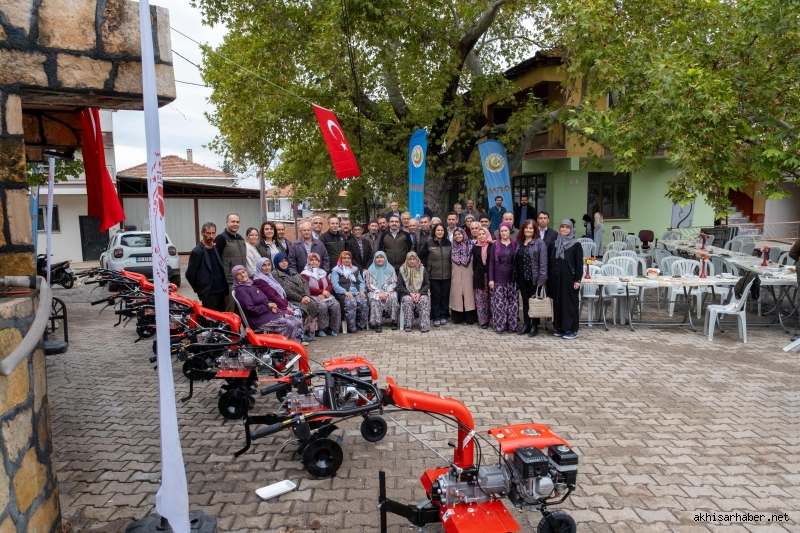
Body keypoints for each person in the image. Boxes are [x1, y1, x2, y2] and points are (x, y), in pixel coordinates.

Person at [233, 265, 305, 344]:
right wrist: (267, 306)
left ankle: (289, 345)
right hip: (258, 319)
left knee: (296, 321)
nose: (242, 275)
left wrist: (271, 304)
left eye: (243, 272)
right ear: (235, 277)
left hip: (267, 315)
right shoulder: (241, 290)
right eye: (238, 274)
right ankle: (283, 346)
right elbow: (250, 309)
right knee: (289, 324)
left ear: (247, 272)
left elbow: (264, 299)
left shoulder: (251, 285)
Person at [548, 220, 583, 340]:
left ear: (571, 229)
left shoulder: (576, 245)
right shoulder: (554, 244)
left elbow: (579, 264)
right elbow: (550, 261)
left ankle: (573, 329)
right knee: (558, 303)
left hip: (569, 279)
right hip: (555, 279)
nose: (564, 229)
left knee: (569, 304)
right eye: (562, 227)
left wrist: (577, 280)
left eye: (567, 227)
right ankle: (560, 327)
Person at [271, 253, 318, 341]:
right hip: (290, 299)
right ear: (277, 263)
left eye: (285, 261)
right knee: (302, 308)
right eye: (281, 261)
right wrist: (300, 298)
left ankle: (309, 330)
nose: (284, 263)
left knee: (312, 303)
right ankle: (301, 333)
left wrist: (306, 295)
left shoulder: (292, 270)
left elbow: (304, 283)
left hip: (303, 296)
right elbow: (285, 289)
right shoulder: (275, 273)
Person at [515, 220, 548, 337]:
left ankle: (534, 326)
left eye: (531, 228)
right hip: (521, 277)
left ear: (535, 230)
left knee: (534, 301)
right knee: (525, 300)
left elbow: (543, 263)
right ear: (523, 229)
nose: (528, 230)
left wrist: (542, 279)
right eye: (526, 228)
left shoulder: (539, 243)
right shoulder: (519, 242)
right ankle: (526, 324)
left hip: (534, 277)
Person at [186, 222, 227, 312]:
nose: (211, 236)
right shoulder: (197, 251)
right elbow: (189, 274)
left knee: (221, 318)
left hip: (221, 291)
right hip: (209, 294)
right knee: (210, 319)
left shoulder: (214, 248)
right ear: (202, 233)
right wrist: (200, 289)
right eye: (208, 233)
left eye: (213, 233)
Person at [488, 222, 519, 334]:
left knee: (513, 304)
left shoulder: (515, 244)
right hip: (498, 278)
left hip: (512, 279)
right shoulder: (495, 245)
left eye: (506, 230)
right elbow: (491, 263)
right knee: (499, 304)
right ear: (499, 232)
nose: (504, 233)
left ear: (509, 231)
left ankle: (512, 326)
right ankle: (499, 326)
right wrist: (491, 279)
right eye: (502, 231)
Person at [301, 253, 340, 337]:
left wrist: (325, 293)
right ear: (308, 261)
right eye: (311, 260)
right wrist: (321, 292)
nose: (314, 262)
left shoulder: (322, 272)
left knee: (335, 305)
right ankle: (320, 329)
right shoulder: (305, 273)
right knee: (322, 306)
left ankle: (332, 328)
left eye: (316, 260)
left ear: (319, 261)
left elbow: (329, 284)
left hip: (325, 295)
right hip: (313, 296)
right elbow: (306, 287)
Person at [214, 213, 248, 312]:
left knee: (241, 307)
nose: (235, 224)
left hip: (242, 280)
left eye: (237, 222)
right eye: (233, 221)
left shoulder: (240, 238)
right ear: (226, 223)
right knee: (230, 308)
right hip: (229, 281)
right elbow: (215, 259)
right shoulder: (221, 238)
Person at [419, 224, 451, 326]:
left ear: (444, 232)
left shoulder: (448, 243)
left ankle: (443, 315)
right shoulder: (429, 243)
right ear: (434, 232)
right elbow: (420, 256)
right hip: (433, 275)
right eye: (438, 230)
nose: (440, 232)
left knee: (445, 296)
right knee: (436, 296)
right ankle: (436, 316)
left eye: (442, 230)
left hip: (447, 275)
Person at [330, 251, 368, 332]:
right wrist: (345, 292)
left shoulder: (355, 269)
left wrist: (362, 290)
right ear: (341, 259)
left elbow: (361, 282)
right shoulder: (336, 270)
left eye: (348, 258)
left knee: (363, 301)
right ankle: (352, 327)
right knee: (351, 302)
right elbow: (334, 285)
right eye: (344, 258)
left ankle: (360, 325)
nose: (346, 260)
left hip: (356, 292)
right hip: (343, 293)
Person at [364, 251, 399, 332]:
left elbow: (394, 283)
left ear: (385, 258)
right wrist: (378, 292)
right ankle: (378, 322)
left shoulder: (391, 269)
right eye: (377, 257)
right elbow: (368, 284)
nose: (379, 259)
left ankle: (393, 320)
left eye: (381, 257)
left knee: (393, 298)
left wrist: (387, 293)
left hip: (389, 291)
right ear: (374, 259)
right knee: (375, 299)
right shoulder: (370, 270)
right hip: (375, 291)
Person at [396, 251, 431, 333]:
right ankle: (408, 325)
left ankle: (424, 325)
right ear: (407, 260)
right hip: (407, 294)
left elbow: (427, 284)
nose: (412, 261)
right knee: (407, 300)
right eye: (410, 259)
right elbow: (399, 286)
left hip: (420, 293)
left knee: (424, 300)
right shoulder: (402, 270)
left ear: (417, 259)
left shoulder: (422, 269)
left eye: (413, 259)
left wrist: (419, 293)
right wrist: (410, 293)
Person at [449, 227, 477, 324]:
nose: (457, 236)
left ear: (464, 234)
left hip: (469, 273)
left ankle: (470, 318)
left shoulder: (471, 245)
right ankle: (458, 317)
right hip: (456, 274)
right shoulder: (452, 247)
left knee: (469, 295)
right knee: (456, 294)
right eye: (455, 235)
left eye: (459, 234)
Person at [471, 228, 493, 329]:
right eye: (479, 234)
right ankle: (483, 321)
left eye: (483, 234)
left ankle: (492, 318)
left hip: (490, 276)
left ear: (487, 234)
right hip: (479, 276)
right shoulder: (475, 247)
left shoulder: (492, 246)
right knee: (480, 299)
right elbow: (474, 263)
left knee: (491, 298)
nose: (481, 236)